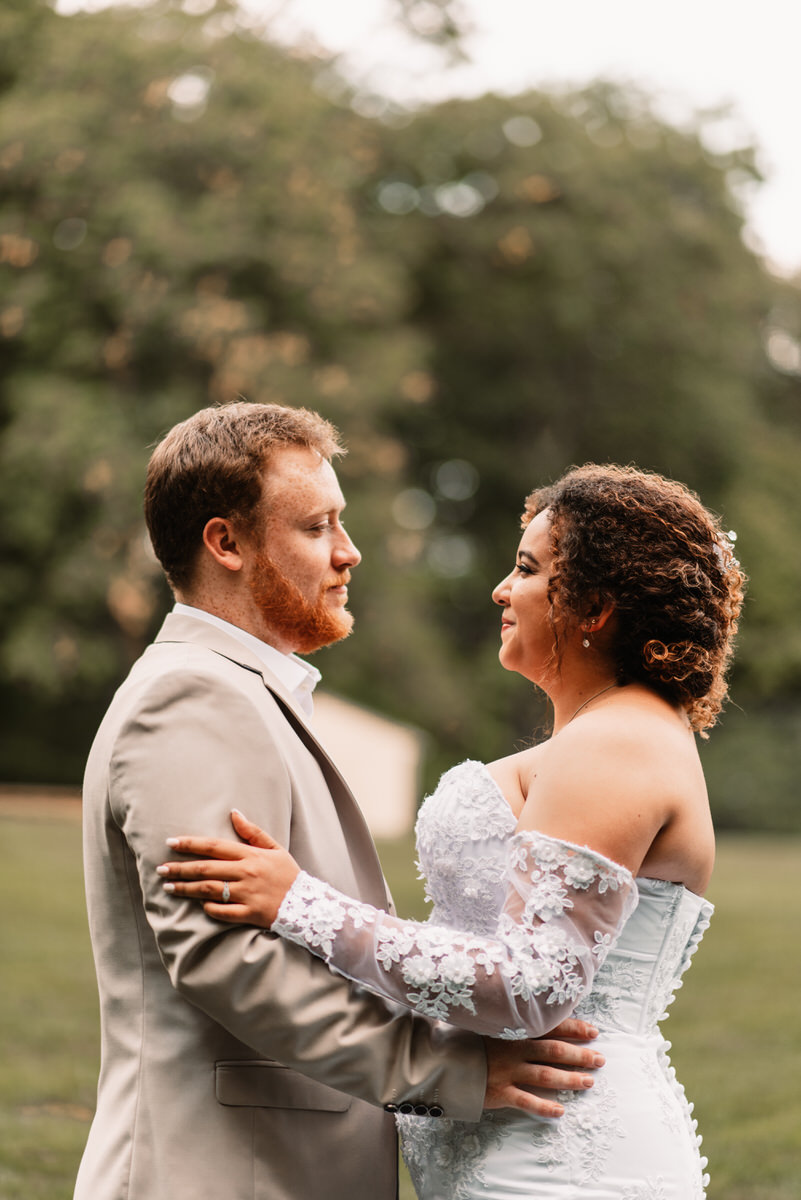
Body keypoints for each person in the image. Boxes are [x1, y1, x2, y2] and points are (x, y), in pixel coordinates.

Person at [158, 462, 746, 1199]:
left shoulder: (617, 744)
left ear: (592, 606)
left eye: (527, 570)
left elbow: (535, 984)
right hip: (511, 1142)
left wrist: (297, 904)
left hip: (559, 1160)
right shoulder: (603, 737)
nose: (502, 589)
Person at [75, 403, 603, 1200]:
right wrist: (442, 1066)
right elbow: (226, 959)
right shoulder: (192, 698)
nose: (349, 553)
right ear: (226, 543)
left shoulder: (243, 692)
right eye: (317, 528)